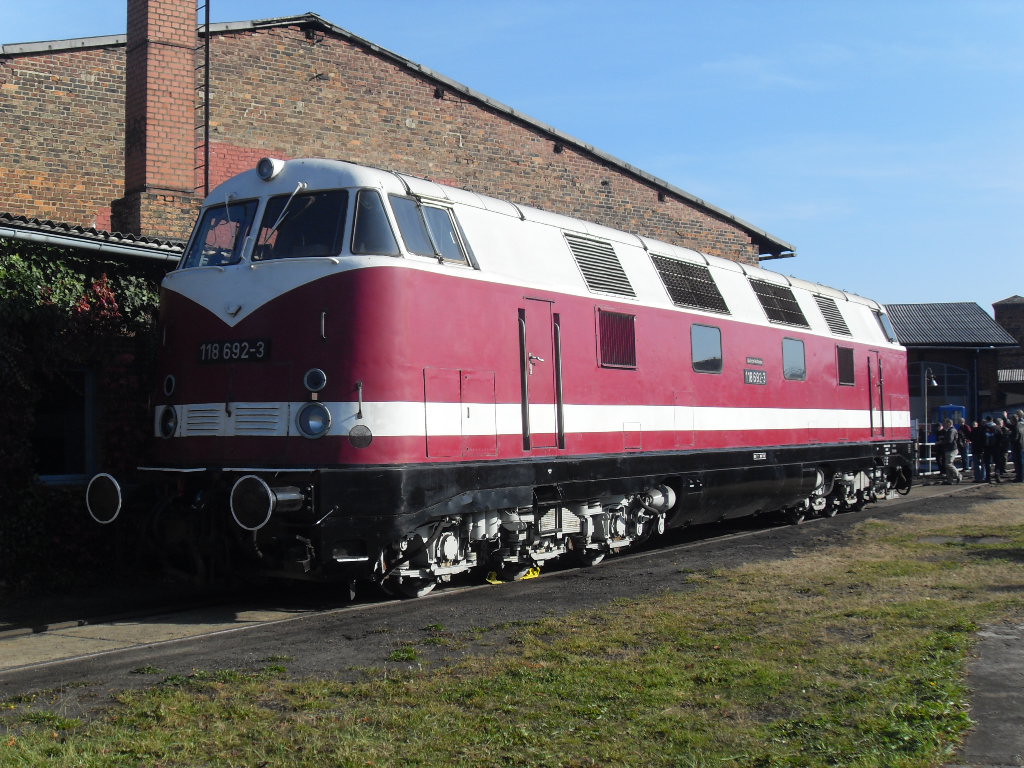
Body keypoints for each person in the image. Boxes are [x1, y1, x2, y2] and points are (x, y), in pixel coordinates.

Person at [939, 418, 961, 484]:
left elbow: (949, 440)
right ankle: (950, 480)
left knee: (948, 464)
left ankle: (958, 475)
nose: (944, 425)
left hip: (951, 449)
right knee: (948, 464)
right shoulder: (952, 430)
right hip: (950, 449)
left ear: (949, 423)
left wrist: (941, 442)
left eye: (945, 423)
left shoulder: (951, 431)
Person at [1010, 410, 1024, 483]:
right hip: (1022, 445)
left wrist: (1009, 436)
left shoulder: (1016, 426)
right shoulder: (1022, 425)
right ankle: (1021, 477)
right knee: (1021, 463)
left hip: (1017, 446)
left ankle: (1020, 477)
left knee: (1019, 463)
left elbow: (1015, 437)